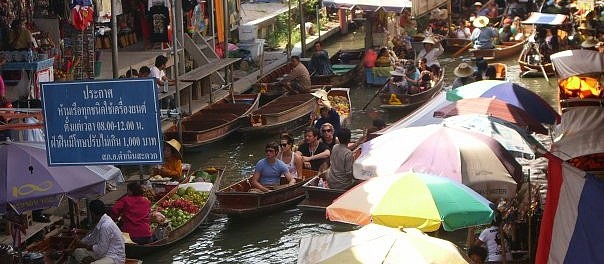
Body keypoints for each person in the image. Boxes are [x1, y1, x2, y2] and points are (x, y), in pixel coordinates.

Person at [71, 200, 126, 264]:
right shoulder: (102, 221)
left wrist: (86, 246)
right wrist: (80, 242)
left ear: (92, 214)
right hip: (105, 254)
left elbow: (101, 250)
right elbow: (92, 237)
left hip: (114, 258)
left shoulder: (105, 226)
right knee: (78, 251)